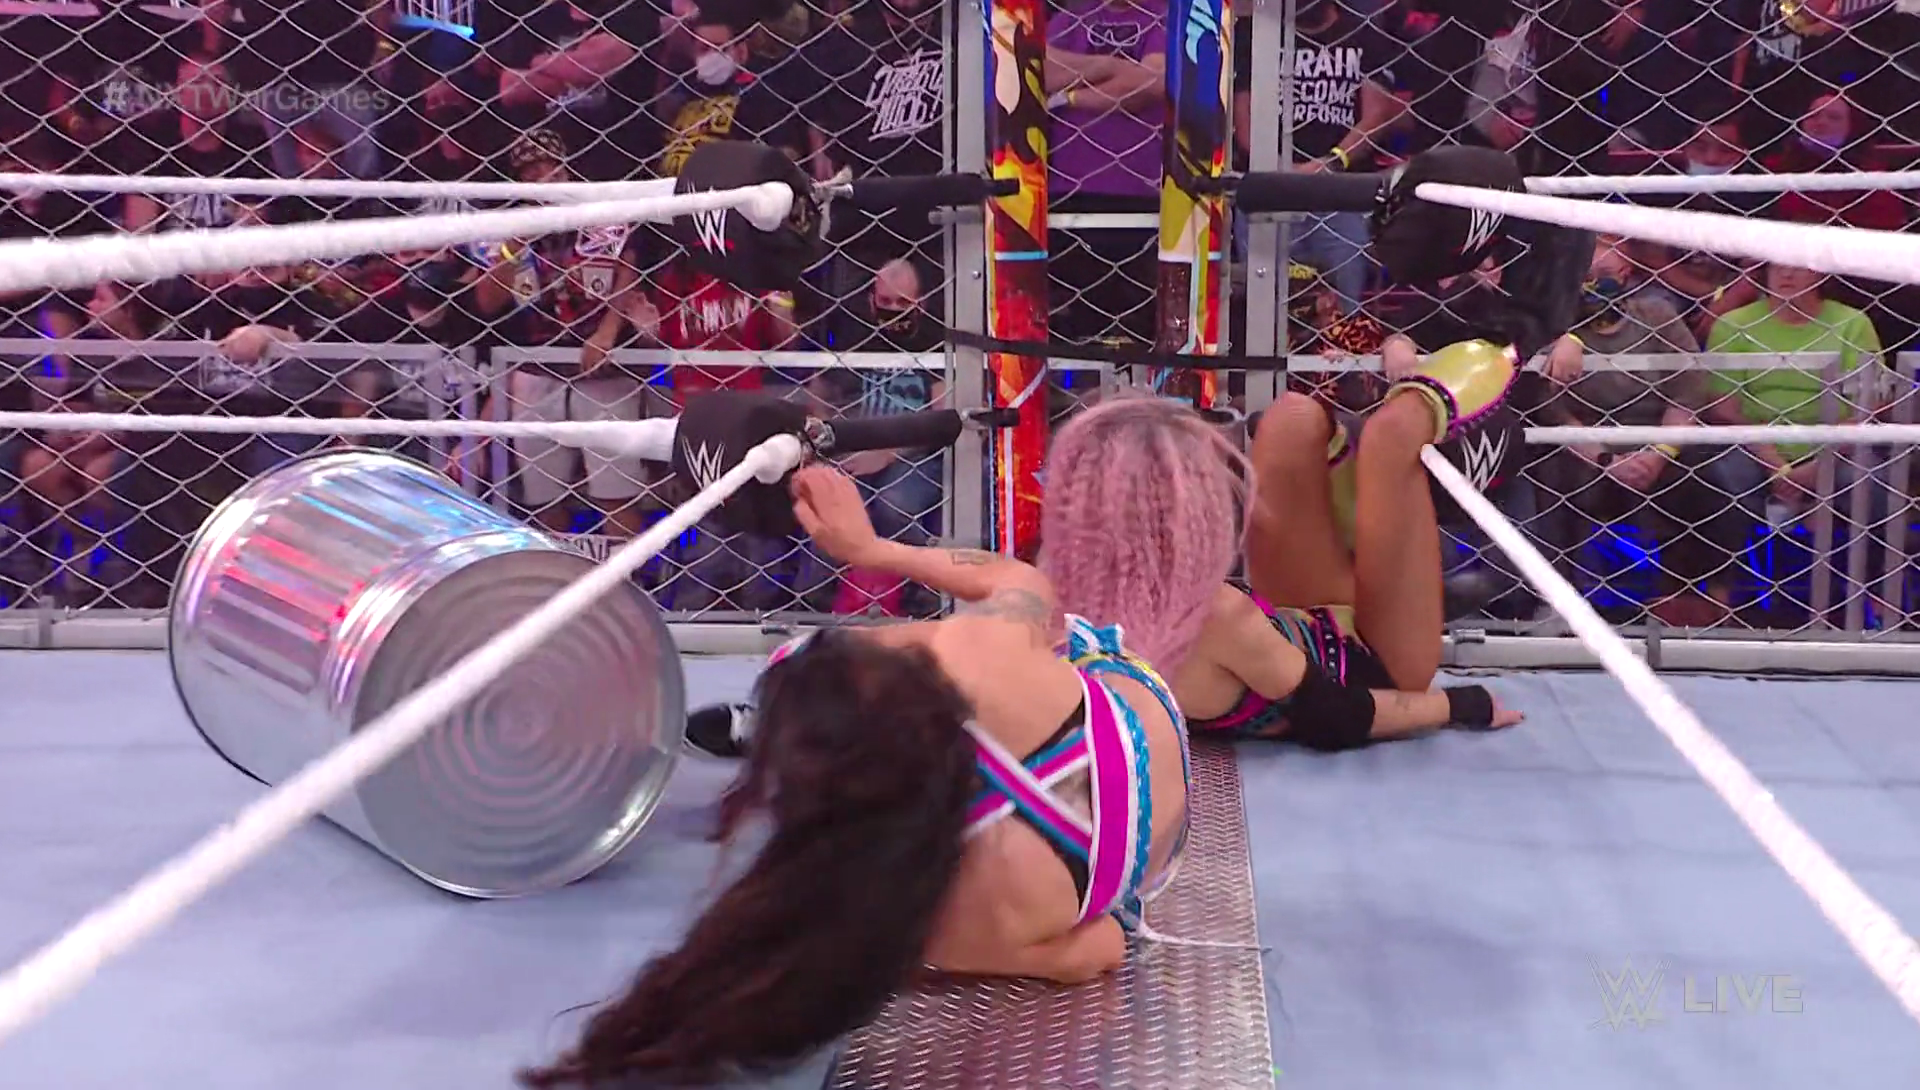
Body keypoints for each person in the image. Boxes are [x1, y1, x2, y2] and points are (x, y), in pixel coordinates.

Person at [525, 461, 1202, 1088]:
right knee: (899, 649)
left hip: (1103, 853)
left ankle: (779, 713)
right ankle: (794, 696)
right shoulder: (979, 659)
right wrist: (873, 550)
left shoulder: (949, 928)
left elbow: (1100, 947)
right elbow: (1023, 585)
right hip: (1120, 714)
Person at [1042, 372, 1521, 748]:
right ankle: (1513, 350)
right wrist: (1464, 704)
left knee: (1290, 418)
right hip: (1379, 669)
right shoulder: (1218, 616)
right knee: (1394, 437)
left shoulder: (1057, 602)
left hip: (1297, 619)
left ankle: (1347, 481)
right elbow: (1338, 716)